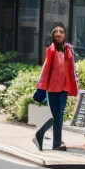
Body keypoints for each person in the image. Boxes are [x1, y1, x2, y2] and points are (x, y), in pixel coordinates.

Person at [33, 23, 79, 152]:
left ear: (65, 35)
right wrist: (41, 86)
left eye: (61, 32)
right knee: (55, 115)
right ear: (53, 35)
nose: (58, 34)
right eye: (56, 32)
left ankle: (56, 143)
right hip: (53, 87)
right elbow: (46, 69)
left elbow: (71, 69)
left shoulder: (68, 50)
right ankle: (42, 135)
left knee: (59, 115)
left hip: (64, 87)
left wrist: (74, 84)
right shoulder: (51, 50)